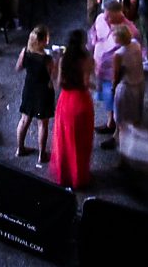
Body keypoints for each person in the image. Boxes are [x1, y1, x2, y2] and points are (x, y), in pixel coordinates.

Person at [50, 29, 96, 190]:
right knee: (81, 142)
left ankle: (65, 175)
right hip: (81, 101)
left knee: (65, 140)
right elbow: (85, 82)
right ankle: (79, 176)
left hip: (66, 101)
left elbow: (58, 83)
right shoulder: (86, 59)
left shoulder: (63, 59)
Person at [15, 26, 56, 160]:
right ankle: (41, 154)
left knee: (24, 119)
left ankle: (20, 148)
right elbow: (53, 77)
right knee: (42, 124)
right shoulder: (47, 59)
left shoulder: (25, 52)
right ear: (42, 41)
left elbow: (18, 67)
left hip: (29, 89)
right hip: (43, 93)